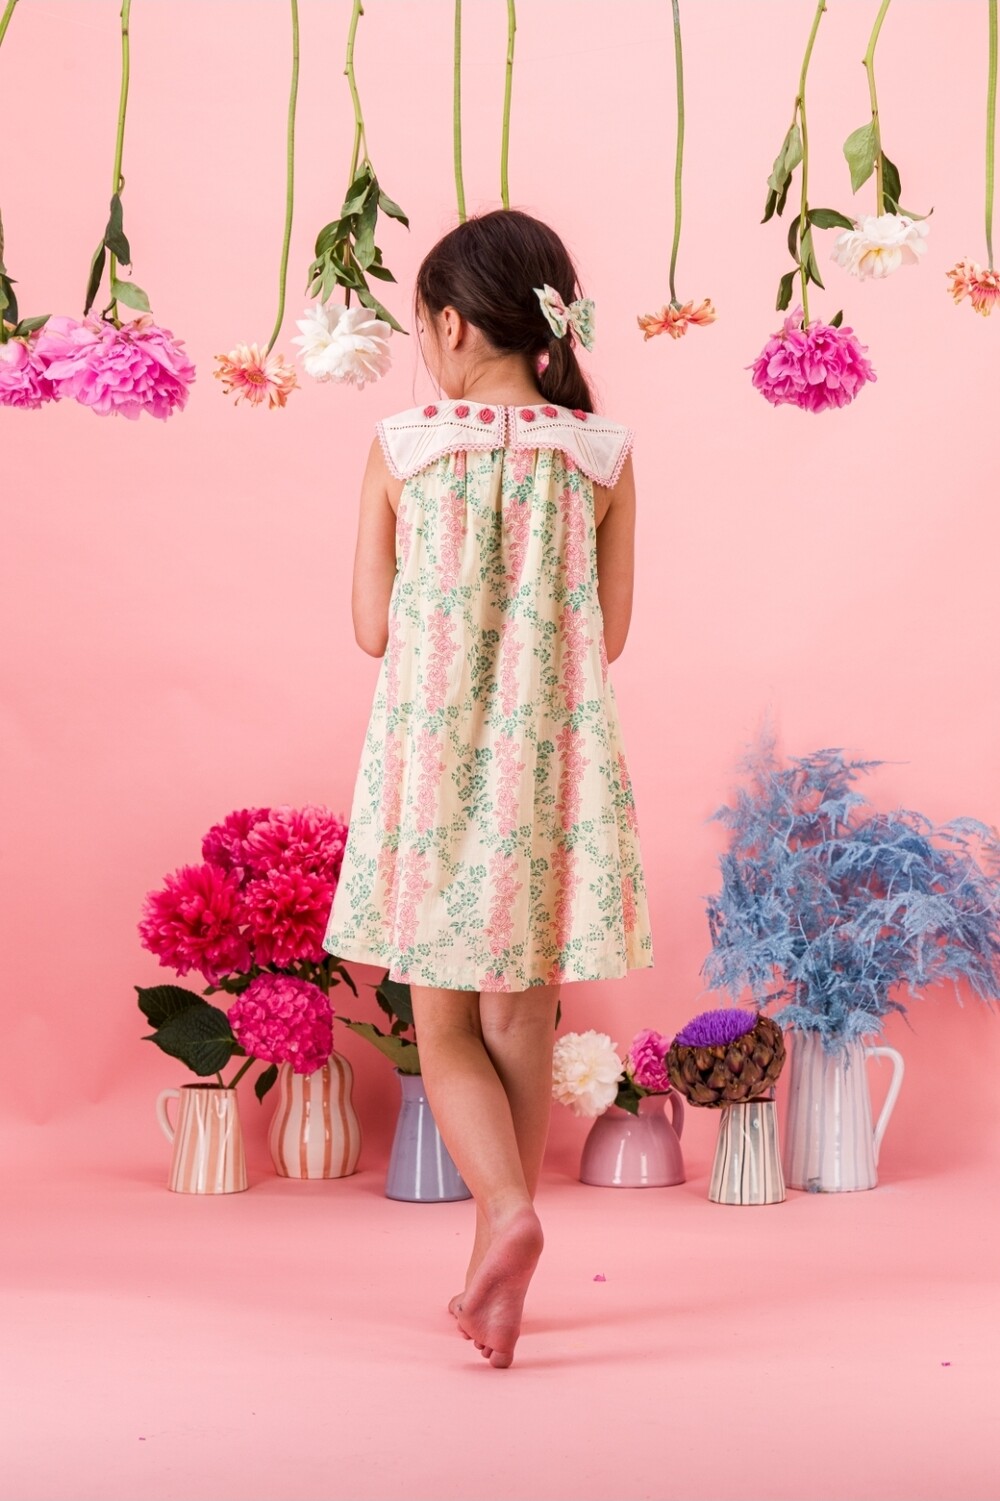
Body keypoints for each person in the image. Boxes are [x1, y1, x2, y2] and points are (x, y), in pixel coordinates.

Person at [322, 208, 653, 1368]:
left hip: (434, 770)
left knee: (446, 1019)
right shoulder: (600, 456)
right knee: (521, 1017)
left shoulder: (403, 447)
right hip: (548, 774)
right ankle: (491, 1275)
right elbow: (609, 634)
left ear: (453, 325)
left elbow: (372, 627)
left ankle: (506, 1216)